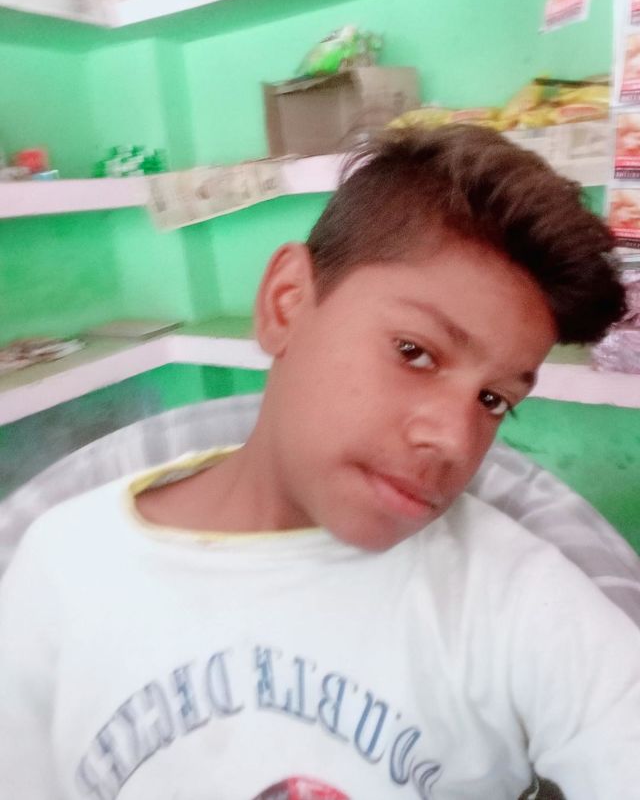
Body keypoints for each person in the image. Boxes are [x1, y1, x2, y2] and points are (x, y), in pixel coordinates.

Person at [0, 125, 638, 800]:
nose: (456, 439)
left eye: (493, 399)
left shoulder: (511, 596)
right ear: (287, 304)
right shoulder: (64, 563)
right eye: (415, 352)